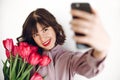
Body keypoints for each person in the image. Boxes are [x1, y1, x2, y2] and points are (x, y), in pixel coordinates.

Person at [17, 8, 110, 80]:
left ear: (54, 27)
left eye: (45, 30)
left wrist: (100, 51)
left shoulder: (69, 58)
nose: (42, 38)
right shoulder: (27, 61)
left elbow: (88, 67)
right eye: (36, 34)